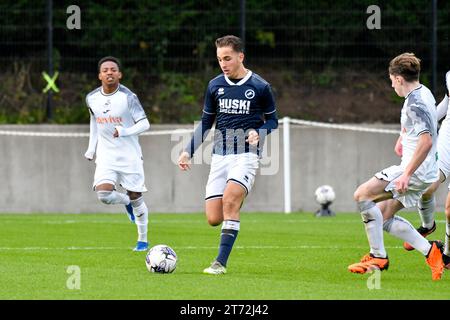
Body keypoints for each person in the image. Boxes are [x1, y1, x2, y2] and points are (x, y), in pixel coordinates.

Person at [177, 35, 278, 274]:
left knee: (230, 201)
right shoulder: (214, 86)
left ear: (240, 57)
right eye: (220, 59)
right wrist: (187, 151)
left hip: (246, 155)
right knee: (214, 218)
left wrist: (259, 132)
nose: (223, 63)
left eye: (228, 58)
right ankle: (237, 194)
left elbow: (273, 120)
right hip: (220, 155)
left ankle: (219, 263)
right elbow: (205, 123)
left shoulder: (260, 86)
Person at [348, 53, 444, 280]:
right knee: (382, 215)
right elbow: (429, 121)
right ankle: (432, 252)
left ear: (399, 79)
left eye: (391, 80)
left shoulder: (414, 103)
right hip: (425, 170)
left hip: (415, 170)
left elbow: (426, 140)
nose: (391, 85)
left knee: (362, 195)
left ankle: (378, 256)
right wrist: (404, 136)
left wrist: (406, 174)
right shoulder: (424, 92)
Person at [84, 56, 150, 252]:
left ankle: (142, 240)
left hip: (129, 155)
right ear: (99, 75)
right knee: (103, 194)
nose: (109, 73)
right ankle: (126, 202)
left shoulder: (128, 97)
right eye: (105, 70)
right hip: (106, 155)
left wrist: (125, 131)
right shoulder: (91, 98)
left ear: (119, 74)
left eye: (113, 69)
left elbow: (145, 124)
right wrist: (91, 148)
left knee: (136, 195)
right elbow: (94, 122)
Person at [399, 71, 450, 269]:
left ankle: (446, 255)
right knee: (427, 185)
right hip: (447, 135)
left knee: (449, 210)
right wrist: (413, 130)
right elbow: (446, 103)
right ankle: (428, 225)